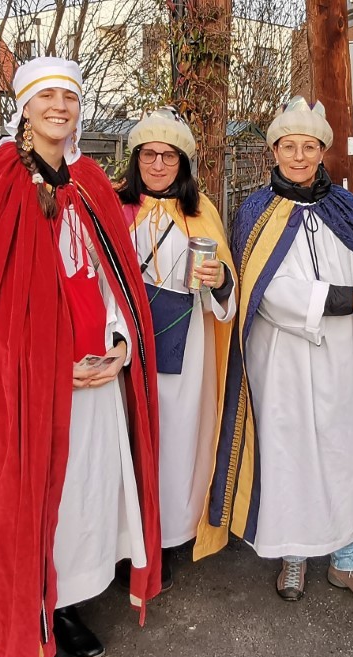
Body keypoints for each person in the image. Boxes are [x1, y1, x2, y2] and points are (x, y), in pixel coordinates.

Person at [0, 57, 162, 657]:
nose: (60, 106)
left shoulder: (91, 183)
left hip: (95, 377)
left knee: (81, 496)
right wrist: (50, 367)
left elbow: (114, 281)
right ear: (24, 107)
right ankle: (33, 618)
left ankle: (66, 603)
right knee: (36, 499)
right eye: (47, 96)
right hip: (31, 388)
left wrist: (120, 344)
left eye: (69, 97)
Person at [193, 98, 353, 606]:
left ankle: (347, 558)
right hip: (283, 360)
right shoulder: (255, 212)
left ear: (322, 152)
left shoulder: (346, 207)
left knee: (345, 449)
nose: (298, 156)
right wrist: (348, 298)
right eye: (289, 147)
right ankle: (293, 552)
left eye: (309, 147)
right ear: (273, 152)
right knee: (288, 453)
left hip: (343, 358)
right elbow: (264, 291)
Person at [116, 108, 236, 589]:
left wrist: (220, 279)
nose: (158, 164)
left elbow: (227, 292)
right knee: (128, 437)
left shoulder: (200, 211)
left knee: (176, 441)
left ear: (183, 163)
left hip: (187, 353)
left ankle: (164, 539)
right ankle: (126, 539)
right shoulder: (115, 208)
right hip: (126, 345)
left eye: (169, 156)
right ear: (136, 159)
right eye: (149, 154)